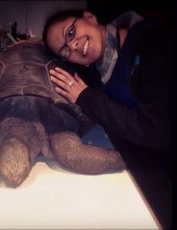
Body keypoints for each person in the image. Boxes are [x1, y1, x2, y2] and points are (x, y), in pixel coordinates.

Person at [42, 9, 172, 229]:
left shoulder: (154, 43)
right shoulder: (96, 68)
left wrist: (85, 97)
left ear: (90, 17)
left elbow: (157, 131)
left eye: (71, 32)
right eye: (65, 50)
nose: (73, 46)